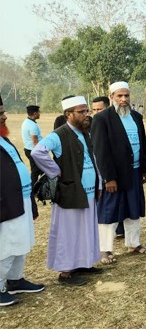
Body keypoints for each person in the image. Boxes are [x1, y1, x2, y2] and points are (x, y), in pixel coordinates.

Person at [32, 95, 101, 285]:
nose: (86, 114)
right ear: (69, 114)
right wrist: (55, 171)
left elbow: (93, 160)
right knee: (69, 232)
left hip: (87, 192)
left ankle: (84, 263)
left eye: (87, 111)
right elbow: (38, 152)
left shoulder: (85, 132)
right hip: (70, 192)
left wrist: (99, 183)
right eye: (81, 112)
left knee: (86, 230)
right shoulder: (59, 134)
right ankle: (66, 272)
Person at [90, 82, 146, 264]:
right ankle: (105, 249)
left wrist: (144, 168)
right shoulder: (102, 119)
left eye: (126, 96)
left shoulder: (136, 117)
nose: (124, 99)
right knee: (109, 211)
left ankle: (133, 243)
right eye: (119, 96)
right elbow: (101, 151)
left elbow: (142, 144)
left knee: (134, 208)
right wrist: (108, 177)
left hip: (134, 172)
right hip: (114, 175)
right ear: (111, 97)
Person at [0, 95, 45, 306]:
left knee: (23, 242)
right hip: (5, 206)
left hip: (21, 200)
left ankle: (15, 280)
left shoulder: (4, 139)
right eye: (0, 113)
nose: (4, 116)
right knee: (7, 245)